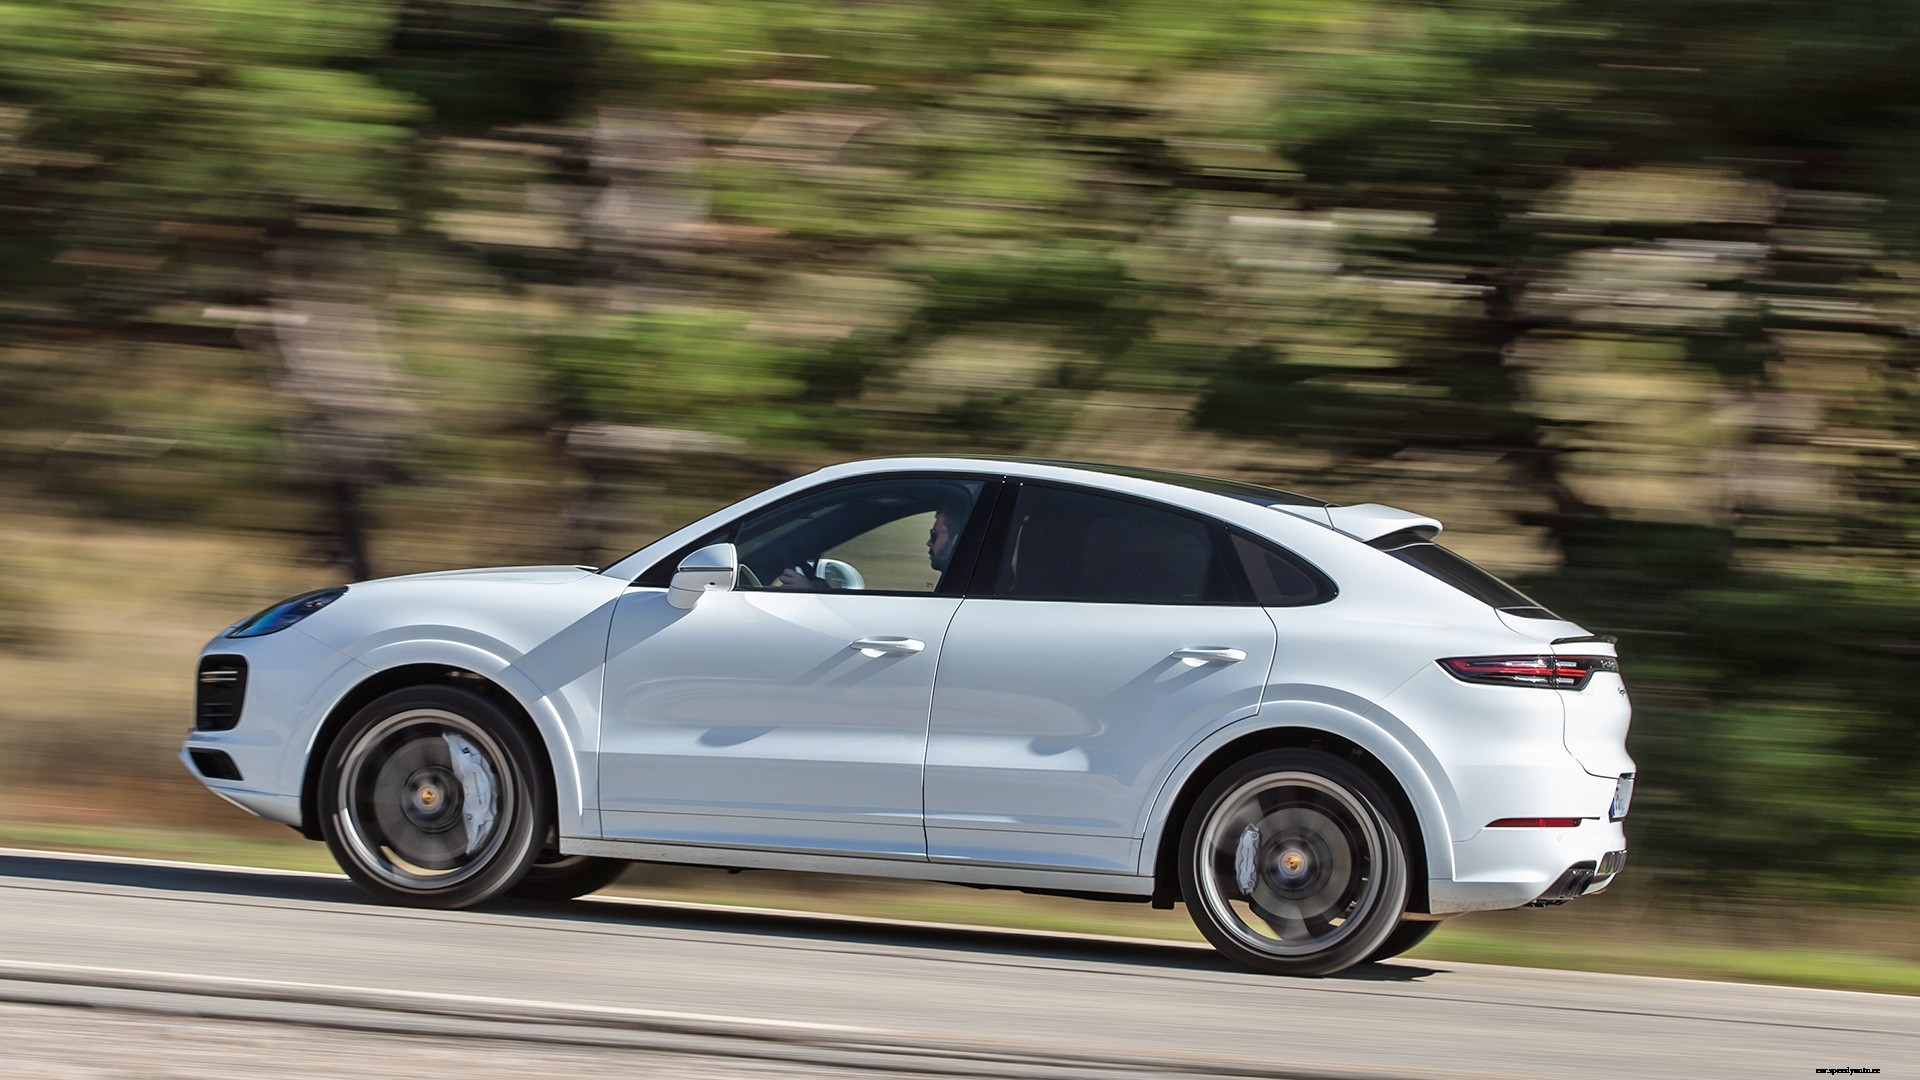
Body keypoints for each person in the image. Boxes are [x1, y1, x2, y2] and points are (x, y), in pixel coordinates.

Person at [775, 489, 971, 590]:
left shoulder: (964, 590)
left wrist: (811, 597)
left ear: (956, 540)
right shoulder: (963, 586)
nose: (928, 543)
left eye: (934, 535)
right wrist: (823, 591)